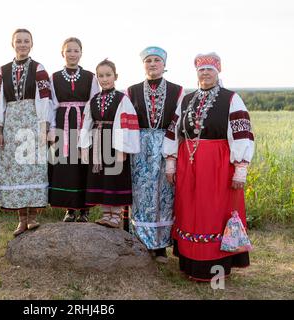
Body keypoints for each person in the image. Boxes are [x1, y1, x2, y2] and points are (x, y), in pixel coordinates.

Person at [162, 52, 255, 281]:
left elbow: (242, 134)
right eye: (201, 69)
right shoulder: (186, 100)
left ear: (218, 71)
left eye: (209, 69)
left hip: (218, 163)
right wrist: (171, 163)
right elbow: (175, 131)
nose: (205, 73)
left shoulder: (231, 99)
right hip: (188, 163)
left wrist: (240, 168)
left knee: (212, 211)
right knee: (189, 210)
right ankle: (190, 264)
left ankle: (215, 265)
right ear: (197, 72)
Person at [127, 47, 184, 263]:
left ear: (164, 64)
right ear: (143, 64)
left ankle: (160, 246)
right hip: (140, 147)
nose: (152, 64)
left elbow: (178, 123)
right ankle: (140, 243)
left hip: (166, 145)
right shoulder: (131, 91)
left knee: (164, 194)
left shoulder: (178, 91)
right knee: (141, 194)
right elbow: (127, 121)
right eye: (148, 60)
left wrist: (172, 154)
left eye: (157, 60)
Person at [0, 29, 52, 236]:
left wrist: (44, 126)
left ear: (32, 44)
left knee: (34, 167)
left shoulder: (39, 68)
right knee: (15, 169)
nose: (22, 44)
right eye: (19, 41)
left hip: (33, 120)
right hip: (11, 122)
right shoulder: (2, 70)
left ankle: (33, 216)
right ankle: (21, 219)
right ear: (12, 44)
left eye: (26, 41)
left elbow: (44, 99)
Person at [80, 59, 140, 228]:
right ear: (97, 78)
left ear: (116, 76)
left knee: (115, 178)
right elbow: (86, 122)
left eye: (108, 75)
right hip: (98, 143)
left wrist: (123, 148)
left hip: (115, 143)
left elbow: (127, 123)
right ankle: (106, 214)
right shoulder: (93, 100)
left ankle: (116, 215)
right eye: (101, 76)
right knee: (102, 178)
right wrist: (84, 146)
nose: (105, 79)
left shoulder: (122, 99)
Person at [48, 37, 100, 223]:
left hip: (84, 123)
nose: (72, 54)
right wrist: (52, 128)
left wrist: (91, 128)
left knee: (82, 164)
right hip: (63, 122)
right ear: (63, 53)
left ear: (81, 53)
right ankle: (70, 209)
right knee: (66, 166)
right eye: (68, 50)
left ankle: (85, 210)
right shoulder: (53, 77)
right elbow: (51, 105)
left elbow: (94, 102)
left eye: (76, 50)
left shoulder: (90, 77)